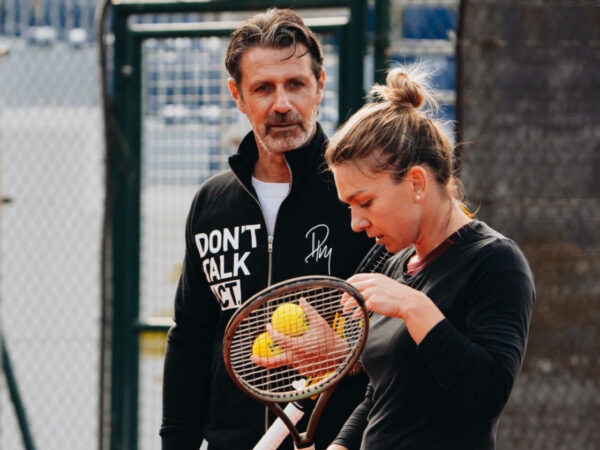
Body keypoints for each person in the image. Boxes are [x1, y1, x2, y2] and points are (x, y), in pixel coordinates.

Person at [160, 8, 373, 450]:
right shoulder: (211, 203)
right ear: (238, 96)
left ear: (320, 86)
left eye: (295, 84)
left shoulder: (361, 199)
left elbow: (393, 349)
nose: (281, 104)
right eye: (263, 88)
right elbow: (189, 340)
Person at [320, 64, 536, 449]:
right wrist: (340, 446)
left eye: (364, 201)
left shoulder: (496, 261)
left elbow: (488, 394)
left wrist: (413, 307)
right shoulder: (391, 263)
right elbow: (383, 394)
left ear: (417, 182)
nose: (355, 222)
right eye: (348, 206)